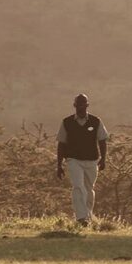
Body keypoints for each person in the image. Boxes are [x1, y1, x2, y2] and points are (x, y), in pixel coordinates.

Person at [55, 93, 108, 226]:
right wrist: (59, 164)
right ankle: (81, 218)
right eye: (78, 104)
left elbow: (102, 140)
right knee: (78, 187)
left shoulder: (96, 121)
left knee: (89, 189)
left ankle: (88, 216)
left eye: (83, 104)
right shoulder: (67, 122)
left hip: (91, 160)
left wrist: (103, 159)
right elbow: (61, 144)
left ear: (87, 105)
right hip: (73, 160)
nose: (81, 107)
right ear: (75, 105)